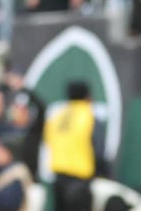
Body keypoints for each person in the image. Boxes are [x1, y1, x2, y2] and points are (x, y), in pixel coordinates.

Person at [43, 80, 104, 211]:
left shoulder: (57, 117)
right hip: (79, 181)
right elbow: (98, 151)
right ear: (87, 96)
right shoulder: (89, 116)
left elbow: (49, 141)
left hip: (58, 179)